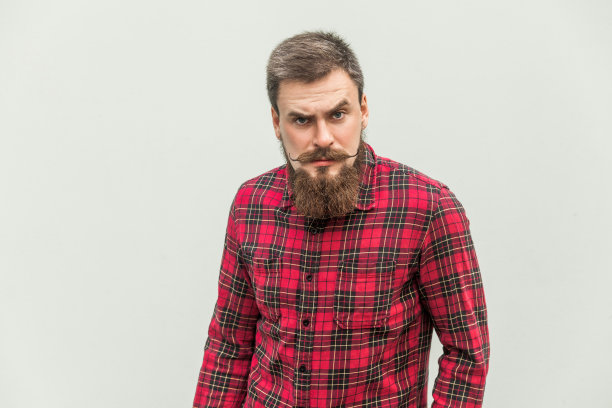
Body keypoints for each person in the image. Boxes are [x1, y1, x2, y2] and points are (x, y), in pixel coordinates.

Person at [193, 31, 490, 408]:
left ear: (363, 111)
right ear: (276, 122)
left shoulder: (428, 208)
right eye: (302, 120)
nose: (323, 138)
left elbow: (467, 355)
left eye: (337, 114)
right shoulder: (250, 204)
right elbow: (228, 346)